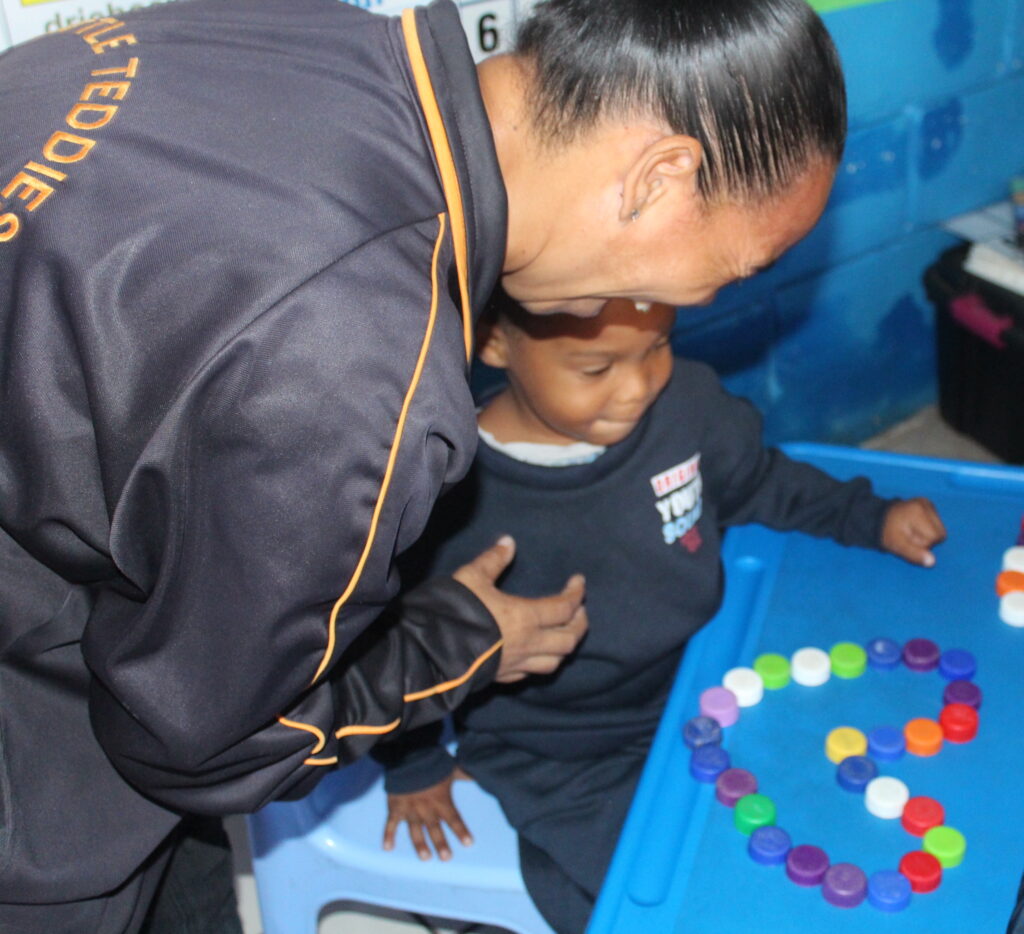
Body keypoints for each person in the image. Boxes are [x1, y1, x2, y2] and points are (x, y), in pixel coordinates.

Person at [0, 0, 849, 929]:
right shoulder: (352, 369)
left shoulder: (310, 34)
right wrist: (462, 641)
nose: (708, 298)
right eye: (737, 266)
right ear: (659, 177)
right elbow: (198, 743)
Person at [377, 295, 947, 934]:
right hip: (559, 749)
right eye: (596, 368)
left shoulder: (688, 406)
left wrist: (867, 516)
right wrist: (412, 764)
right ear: (493, 341)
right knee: (669, 899)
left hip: (706, 679)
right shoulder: (445, 494)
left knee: (813, 837)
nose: (638, 387)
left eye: (658, 346)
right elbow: (398, 640)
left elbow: (759, 481)